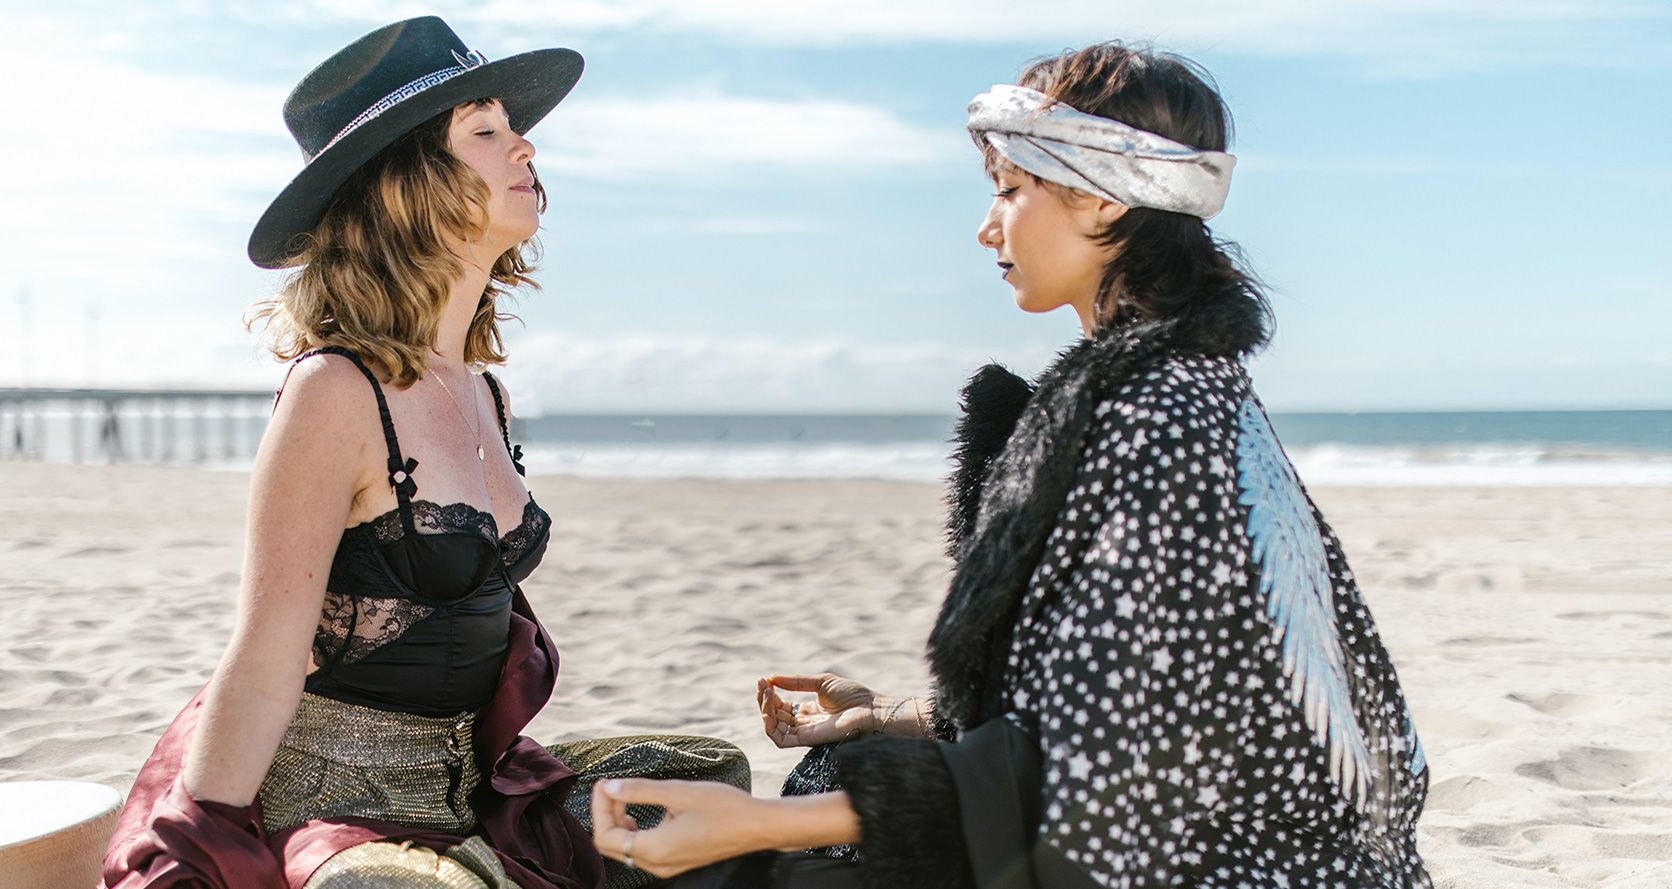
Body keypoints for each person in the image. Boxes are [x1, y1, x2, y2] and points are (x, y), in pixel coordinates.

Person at [587, 43, 1431, 889]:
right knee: (821, 790)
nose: (988, 225)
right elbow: (1126, 699)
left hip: (1216, 869)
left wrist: (759, 823)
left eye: (1010, 189)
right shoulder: (1190, 388)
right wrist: (886, 717)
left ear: (1100, 198)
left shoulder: (1155, 419)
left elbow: (1100, 769)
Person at [98, 17, 746, 889]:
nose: (524, 145)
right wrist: (193, 851)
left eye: (513, 127)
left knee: (709, 782)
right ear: (405, 185)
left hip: (474, 792)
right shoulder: (335, 390)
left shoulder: (483, 390)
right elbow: (264, 657)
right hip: (335, 811)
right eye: (484, 129)